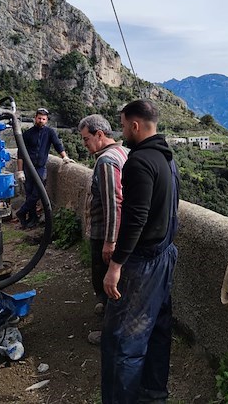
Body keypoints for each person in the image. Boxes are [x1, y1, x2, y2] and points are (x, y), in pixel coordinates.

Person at [102, 99, 179, 404]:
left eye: (122, 125)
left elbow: (136, 218)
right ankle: (154, 395)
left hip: (144, 262)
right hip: (165, 255)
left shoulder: (138, 162)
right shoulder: (167, 158)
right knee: (159, 332)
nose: (121, 131)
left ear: (135, 125)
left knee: (123, 340)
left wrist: (116, 264)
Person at [77, 114, 129, 345]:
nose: (84, 144)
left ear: (100, 134)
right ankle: (109, 314)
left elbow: (114, 202)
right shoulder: (121, 152)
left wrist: (110, 241)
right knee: (107, 280)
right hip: (109, 232)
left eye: (86, 139)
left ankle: (112, 331)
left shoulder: (107, 161)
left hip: (105, 233)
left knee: (107, 280)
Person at [15, 107, 74, 228]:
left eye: (43, 119)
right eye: (39, 118)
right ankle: (32, 219)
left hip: (40, 168)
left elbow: (58, 144)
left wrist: (65, 157)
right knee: (29, 193)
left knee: (37, 193)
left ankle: (21, 212)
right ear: (35, 118)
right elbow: (20, 153)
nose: (41, 120)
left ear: (46, 120)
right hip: (28, 168)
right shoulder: (27, 134)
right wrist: (20, 171)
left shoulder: (50, 132)